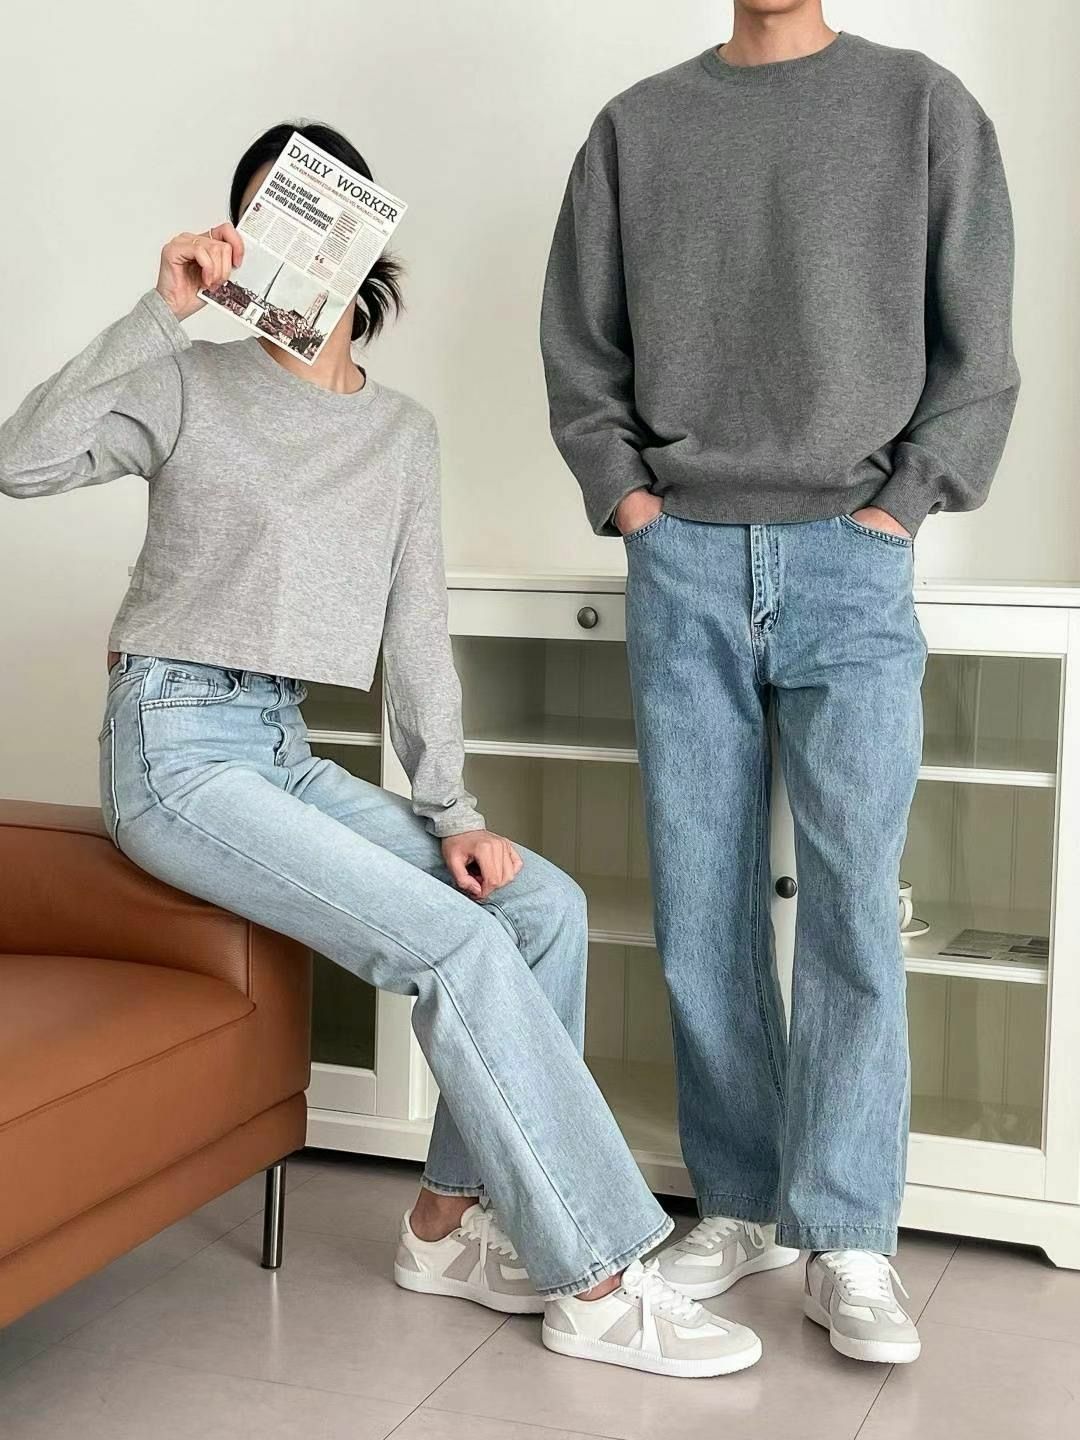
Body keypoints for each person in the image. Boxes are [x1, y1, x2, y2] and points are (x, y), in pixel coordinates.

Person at [0, 120, 768, 1380]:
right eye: (263, 217)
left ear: (362, 241)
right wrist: (159, 310)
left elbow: (416, 636)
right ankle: (599, 1277)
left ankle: (444, 1230)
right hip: (174, 746)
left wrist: (454, 810)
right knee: (453, 947)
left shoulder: (401, 434)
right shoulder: (189, 380)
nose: (291, 243)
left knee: (541, 909)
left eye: (316, 215)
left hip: (279, 742)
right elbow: (17, 460)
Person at [541, 0, 1019, 1367]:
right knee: (702, 901)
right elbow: (581, 347)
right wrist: (632, 504)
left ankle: (850, 1231)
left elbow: (979, 348)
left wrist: (902, 506)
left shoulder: (922, 106)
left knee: (855, 901)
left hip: (852, 560)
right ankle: (744, 1202)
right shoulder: (635, 129)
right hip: (683, 556)